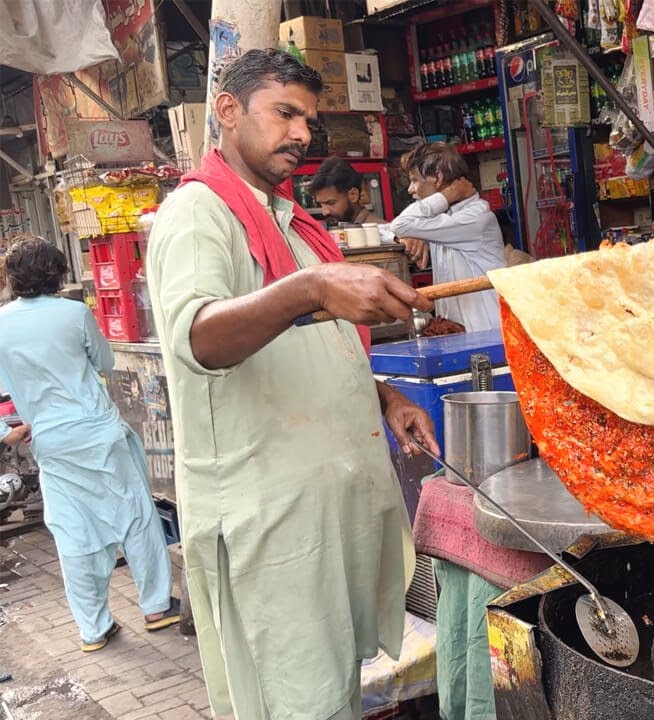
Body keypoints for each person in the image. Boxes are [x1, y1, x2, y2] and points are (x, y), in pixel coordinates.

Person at [146, 49, 439, 720]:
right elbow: (198, 337)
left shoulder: (287, 219)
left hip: (318, 508)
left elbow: (317, 342)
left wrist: (384, 398)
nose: (302, 134)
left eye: (308, 119)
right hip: (269, 520)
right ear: (227, 110)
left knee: (329, 687)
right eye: (284, 114)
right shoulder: (199, 212)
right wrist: (311, 286)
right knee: (298, 698)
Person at [0, 238, 181, 652]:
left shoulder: (0, 322)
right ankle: (155, 607)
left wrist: (5, 431)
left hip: (49, 440)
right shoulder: (74, 313)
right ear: (57, 274)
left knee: (72, 532)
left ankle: (93, 629)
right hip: (97, 432)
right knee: (135, 515)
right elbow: (104, 361)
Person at [389, 142, 505, 332]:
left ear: (437, 178)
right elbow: (390, 230)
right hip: (457, 330)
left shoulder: (475, 217)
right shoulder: (442, 217)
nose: (411, 189)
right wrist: (405, 237)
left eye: (415, 180)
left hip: (486, 330)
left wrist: (445, 196)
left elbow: (400, 224)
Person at [308, 156, 386, 225]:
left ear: (353, 195)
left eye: (331, 203)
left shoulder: (380, 232)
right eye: (320, 205)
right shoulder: (337, 229)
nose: (324, 212)